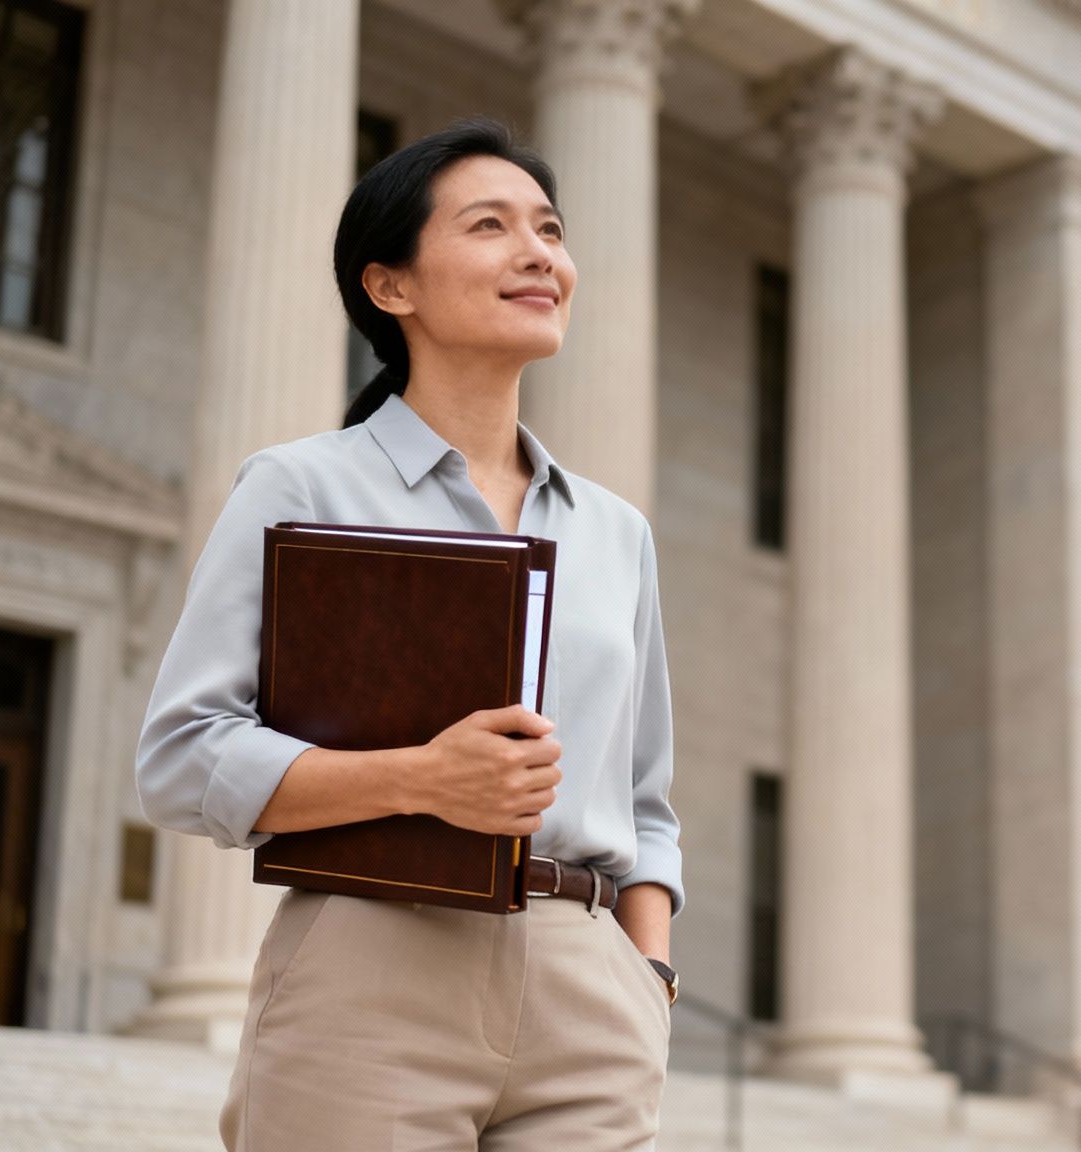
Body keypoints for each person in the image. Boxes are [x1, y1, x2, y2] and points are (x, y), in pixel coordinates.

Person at [135, 117, 682, 1151]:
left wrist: (645, 973)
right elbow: (181, 756)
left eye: (550, 230)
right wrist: (421, 779)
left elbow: (646, 800)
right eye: (491, 226)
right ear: (391, 288)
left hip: (588, 988)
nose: (540, 255)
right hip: (369, 964)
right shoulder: (303, 486)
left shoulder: (617, 532)